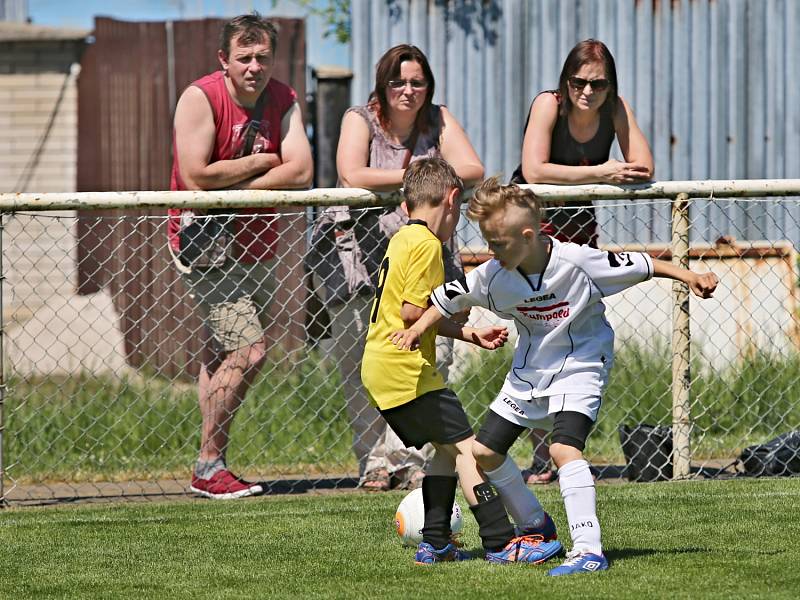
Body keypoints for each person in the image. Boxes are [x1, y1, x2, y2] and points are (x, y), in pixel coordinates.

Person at [391, 178, 718, 574]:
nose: (490, 252)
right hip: (530, 371)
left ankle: (587, 551)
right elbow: (445, 300)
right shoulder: (493, 275)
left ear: (528, 236)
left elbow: (646, 265)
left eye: (497, 243)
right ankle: (535, 524)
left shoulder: (578, 261)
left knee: (563, 451)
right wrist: (414, 329)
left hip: (583, 364)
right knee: (485, 452)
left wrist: (691, 277)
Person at [363, 158, 563, 565]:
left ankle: (434, 541)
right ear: (452, 199)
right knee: (469, 451)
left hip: (382, 365)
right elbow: (411, 312)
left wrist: (468, 333)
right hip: (407, 371)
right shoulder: (427, 245)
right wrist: (454, 317)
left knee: (444, 451)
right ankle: (499, 541)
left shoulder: (402, 237)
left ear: (407, 203)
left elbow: (408, 313)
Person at [307, 44, 484, 491]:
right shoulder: (359, 118)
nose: (408, 90)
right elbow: (352, 174)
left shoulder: (438, 119)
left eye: (417, 82)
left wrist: (426, 173)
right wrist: (425, 174)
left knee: (429, 356)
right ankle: (373, 461)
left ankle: (409, 458)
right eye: (398, 82)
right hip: (359, 261)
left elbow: (472, 168)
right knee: (362, 362)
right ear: (382, 85)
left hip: (424, 258)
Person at [168, 13, 313, 499]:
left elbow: (302, 172)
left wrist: (235, 178)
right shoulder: (201, 97)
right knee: (249, 350)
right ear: (224, 60)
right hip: (204, 241)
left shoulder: (285, 98)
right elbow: (195, 177)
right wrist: (261, 162)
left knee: (222, 354)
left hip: (258, 242)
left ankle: (212, 466)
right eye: (244, 58)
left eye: (262, 58)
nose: (254, 67)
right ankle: (209, 464)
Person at [513, 38, 655, 482]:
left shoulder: (615, 109)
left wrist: (607, 171)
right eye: (580, 81)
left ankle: (563, 445)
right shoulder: (548, 106)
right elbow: (534, 170)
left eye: (598, 83)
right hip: (534, 224)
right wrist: (602, 171)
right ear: (566, 79)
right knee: (539, 331)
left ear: (609, 85)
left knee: (577, 327)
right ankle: (541, 452)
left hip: (578, 223)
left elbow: (644, 166)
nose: (588, 91)